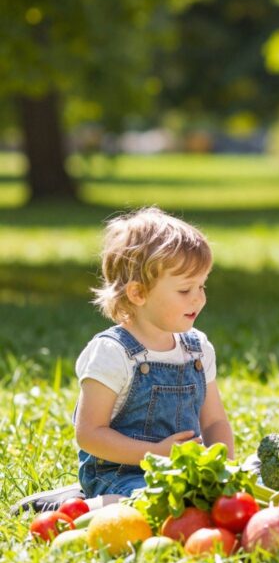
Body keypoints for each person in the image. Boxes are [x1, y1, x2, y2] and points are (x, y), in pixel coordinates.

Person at [74, 207, 233, 500]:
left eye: (202, 285)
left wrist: (223, 466)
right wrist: (156, 454)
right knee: (161, 502)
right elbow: (89, 433)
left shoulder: (196, 348)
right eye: (185, 290)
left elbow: (214, 422)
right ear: (138, 294)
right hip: (119, 474)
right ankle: (86, 506)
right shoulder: (112, 353)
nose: (199, 297)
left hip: (181, 470)